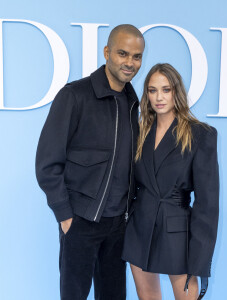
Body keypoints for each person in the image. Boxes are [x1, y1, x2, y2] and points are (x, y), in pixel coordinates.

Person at [35, 24, 145, 300]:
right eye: (123, 53)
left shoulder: (133, 102)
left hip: (118, 225)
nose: (130, 63)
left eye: (137, 56)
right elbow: (47, 162)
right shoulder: (75, 96)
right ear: (107, 52)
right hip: (81, 221)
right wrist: (65, 216)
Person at [122, 63, 219, 299]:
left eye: (166, 89)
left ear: (177, 91)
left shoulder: (201, 134)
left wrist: (199, 259)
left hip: (178, 234)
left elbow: (207, 203)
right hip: (139, 228)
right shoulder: (139, 131)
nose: (159, 97)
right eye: (152, 90)